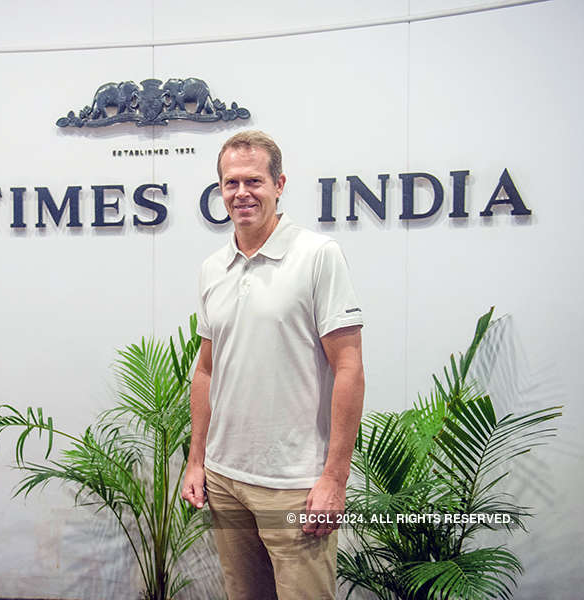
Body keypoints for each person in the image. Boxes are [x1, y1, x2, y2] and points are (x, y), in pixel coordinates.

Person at [181, 130, 365, 600]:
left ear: (279, 184)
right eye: (231, 183)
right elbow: (206, 370)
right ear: (220, 189)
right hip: (225, 481)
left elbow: (348, 368)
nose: (242, 193)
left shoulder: (318, 256)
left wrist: (334, 478)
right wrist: (197, 460)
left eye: (254, 181)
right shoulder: (212, 268)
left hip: (295, 486)